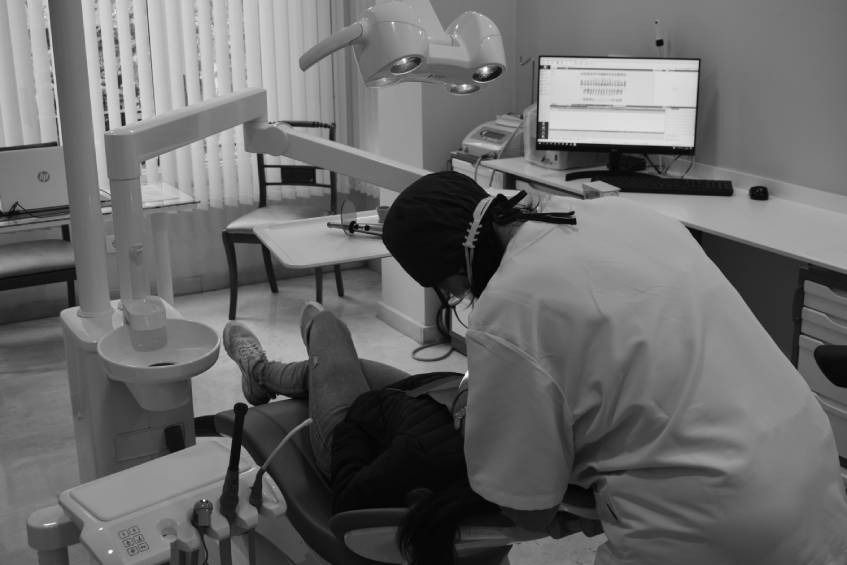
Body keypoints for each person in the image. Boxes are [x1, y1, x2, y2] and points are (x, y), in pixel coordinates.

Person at [381, 170, 847, 565]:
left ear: (453, 268)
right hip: (812, 473)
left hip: (719, 526)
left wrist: (571, 502)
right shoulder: (620, 214)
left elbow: (527, 512)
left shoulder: (506, 311)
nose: (464, 298)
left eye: (452, 290)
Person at [222, 303, 505, 564]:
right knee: (335, 362)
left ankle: (258, 371)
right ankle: (265, 374)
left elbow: (349, 497)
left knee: (324, 323)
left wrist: (362, 411)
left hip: (359, 437)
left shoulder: (418, 453)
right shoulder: (516, 442)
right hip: (430, 401)